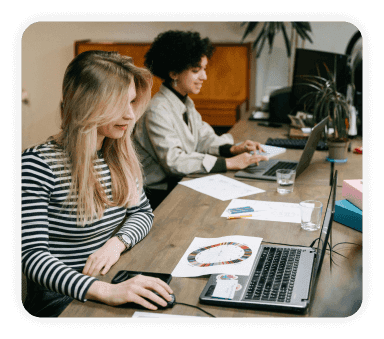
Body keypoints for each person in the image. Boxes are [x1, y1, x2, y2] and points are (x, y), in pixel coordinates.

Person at [21, 50, 173, 318]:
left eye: (132, 102)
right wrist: (106, 291)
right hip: (61, 297)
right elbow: (32, 257)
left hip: (112, 277)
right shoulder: (37, 165)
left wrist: (116, 244)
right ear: (88, 104)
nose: (130, 116)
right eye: (119, 105)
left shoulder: (118, 154)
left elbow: (142, 213)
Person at [133, 30, 267, 210]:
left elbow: (203, 138)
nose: (204, 76)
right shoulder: (157, 111)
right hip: (157, 197)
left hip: (180, 184)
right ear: (173, 72)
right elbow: (175, 162)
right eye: (196, 70)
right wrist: (228, 163)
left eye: (204, 69)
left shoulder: (184, 101)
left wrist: (233, 149)